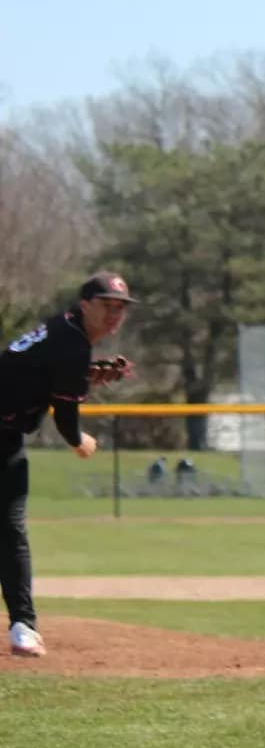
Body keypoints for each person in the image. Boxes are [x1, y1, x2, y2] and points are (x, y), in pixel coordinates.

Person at [0, 272, 136, 657]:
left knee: (9, 532)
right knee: (9, 533)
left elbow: (29, 376)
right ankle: (23, 627)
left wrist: (77, 379)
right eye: (107, 306)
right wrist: (79, 440)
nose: (114, 315)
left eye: (120, 308)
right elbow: (64, 417)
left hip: (5, 439)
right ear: (85, 305)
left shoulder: (64, 333)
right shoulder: (71, 343)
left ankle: (23, 626)